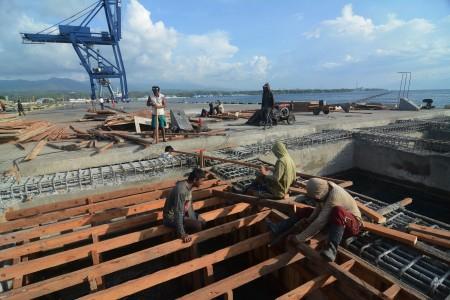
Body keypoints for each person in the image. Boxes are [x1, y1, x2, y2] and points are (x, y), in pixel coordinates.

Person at [267, 178, 362, 262]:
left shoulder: (334, 196)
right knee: (306, 210)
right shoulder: (325, 188)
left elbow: (320, 221)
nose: (316, 200)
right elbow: (319, 208)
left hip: (352, 226)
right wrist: (309, 220)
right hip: (335, 221)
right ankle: (279, 227)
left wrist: (299, 238)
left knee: (338, 211)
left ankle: (331, 249)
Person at [163, 168, 206, 243]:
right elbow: (178, 212)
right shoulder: (181, 190)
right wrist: (182, 234)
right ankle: (188, 246)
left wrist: (194, 218)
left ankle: (191, 238)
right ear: (195, 180)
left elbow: (189, 207)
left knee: (203, 222)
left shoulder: (189, 187)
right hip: (171, 218)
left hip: (182, 214)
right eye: (201, 180)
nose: (202, 183)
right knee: (197, 225)